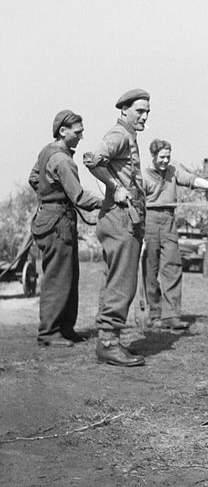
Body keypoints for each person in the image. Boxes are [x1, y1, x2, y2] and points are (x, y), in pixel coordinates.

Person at [83, 89, 150, 367]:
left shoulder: (127, 136)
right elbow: (91, 158)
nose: (144, 116)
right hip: (120, 218)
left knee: (114, 279)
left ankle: (107, 341)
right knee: (122, 282)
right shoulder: (120, 135)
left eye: (147, 112)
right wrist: (116, 187)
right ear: (124, 110)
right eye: (139, 111)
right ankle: (109, 343)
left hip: (121, 218)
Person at [29, 110, 102, 347]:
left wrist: (48, 193)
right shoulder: (62, 160)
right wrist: (108, 201)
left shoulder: (46, 152)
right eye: (78, 132)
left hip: (51, 217)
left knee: (67, 276)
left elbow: (33, 178)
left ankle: (64, 329)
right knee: (58, 278)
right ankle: (49, 333)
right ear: (63, 131)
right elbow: (79, 196)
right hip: (58, 221)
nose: (81, 136)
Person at [142, 139, 208, 330]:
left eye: (168, 157)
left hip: (169, 221)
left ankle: (171, 316)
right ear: (153, 156)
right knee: (150, 269)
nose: (165, 161)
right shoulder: (143, 176)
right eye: (162, 157)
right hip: (149, 220)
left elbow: (192, 180)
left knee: (173, 266)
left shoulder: (173, 172)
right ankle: (154, 314)